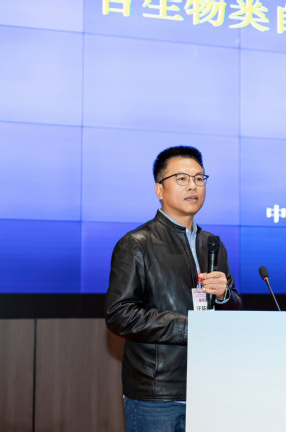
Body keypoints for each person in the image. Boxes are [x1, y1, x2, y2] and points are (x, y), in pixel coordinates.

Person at [105, 146, 242, 432]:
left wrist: (225, 296)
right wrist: (191, 327)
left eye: (199, 179)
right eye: (182, 179)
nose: (193, 186)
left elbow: (232, 310)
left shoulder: (213, 245)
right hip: (158, 393)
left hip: (210, 386)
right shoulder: (137, 244)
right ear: (159, 189)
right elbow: (119, 314)